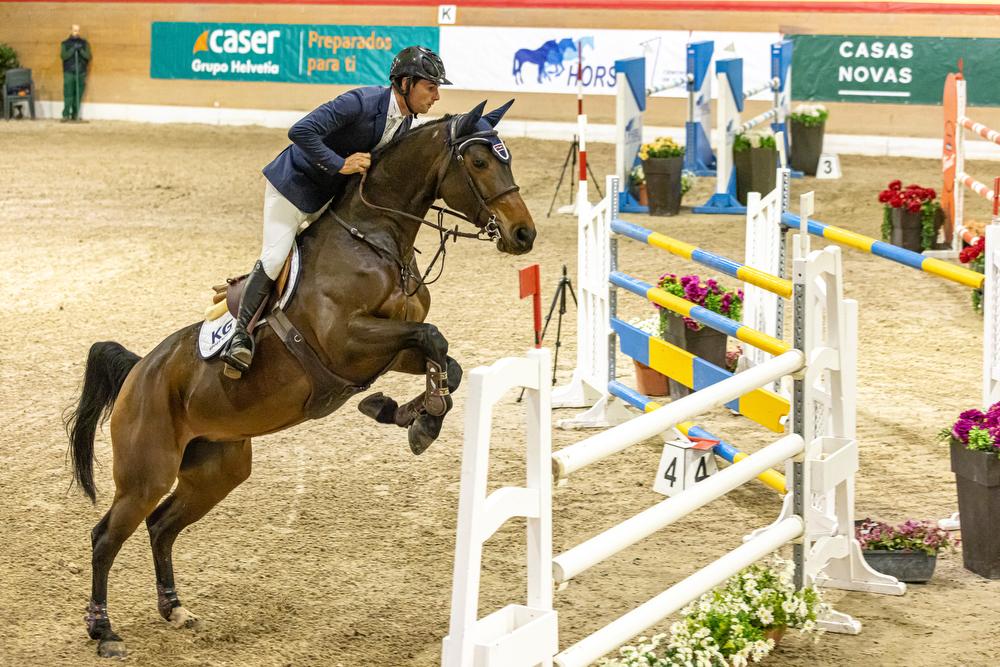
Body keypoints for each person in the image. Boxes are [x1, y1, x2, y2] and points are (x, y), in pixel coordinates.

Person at [221, 45, 451, 377]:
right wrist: (339, 164)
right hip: (294, 188)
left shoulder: (403, 124)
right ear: (405, 83)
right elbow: (301, 131)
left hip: (329, 198)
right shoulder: (360, 102)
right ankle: (240, 337)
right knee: (274, 257)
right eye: (431, 87)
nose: (437, 96)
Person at [61, 24, 91, 122]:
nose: (76, 32)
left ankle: (75, 115)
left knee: (78, 95)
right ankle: (65, 115)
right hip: (69, 72)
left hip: (81, 72)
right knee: (68, 94)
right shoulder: (65, 43)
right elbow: (63, 56)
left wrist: (81, 50)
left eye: (78, 30)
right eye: (74, 30)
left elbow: (88, 56)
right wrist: (72, 49)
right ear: (71, 30)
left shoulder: (84, 43)